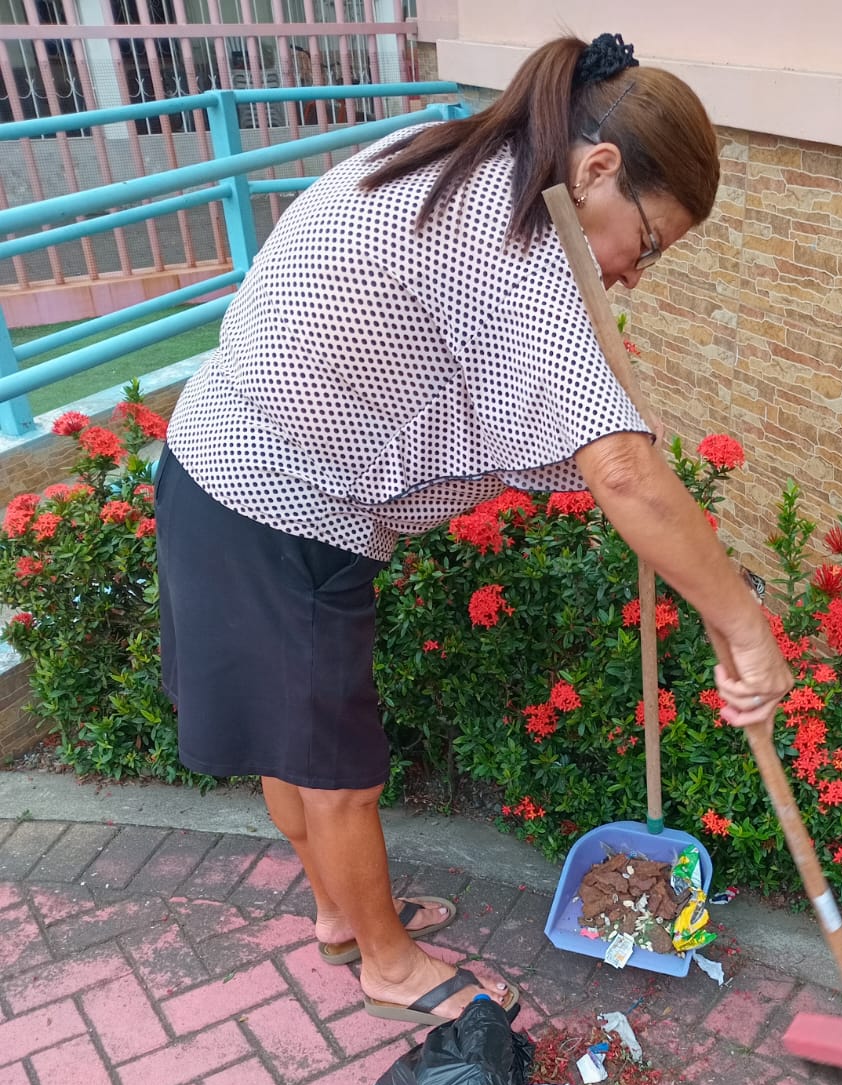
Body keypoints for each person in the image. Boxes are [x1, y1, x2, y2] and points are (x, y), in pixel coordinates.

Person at [156, 31, 793, 1029]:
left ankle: (342, 915)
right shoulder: (513, 236)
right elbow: (620, 472)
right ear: (598, 169)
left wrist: (634, 468)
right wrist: (745, 628)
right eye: (649, 245)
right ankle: (388, 964)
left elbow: (559, 432)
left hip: (220, 467)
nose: (634, 275)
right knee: (335, 770)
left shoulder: (463, 160)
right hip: (275, 501)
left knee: (293, 743)